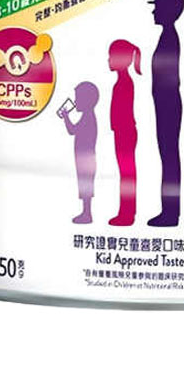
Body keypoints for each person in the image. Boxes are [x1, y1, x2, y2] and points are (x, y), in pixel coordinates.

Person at [147, 0, 184, 227]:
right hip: (165, 103)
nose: (153, 12)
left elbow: (167, 77)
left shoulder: (169, 37)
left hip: (167, 105)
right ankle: (170, 211)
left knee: (169, 158)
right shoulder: (167, 36)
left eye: (157, 7)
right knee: (168, 157)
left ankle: (170, 213)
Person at [108, 39, 141, 226]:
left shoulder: (124, 83)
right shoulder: (122, 82)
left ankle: (127, 214)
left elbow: (123, 112)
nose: (108, 60)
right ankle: (127, 212)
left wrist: (118, 129)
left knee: (127, 174)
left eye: (111, 56)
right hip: (123, 132)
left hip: (124, 132)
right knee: (126, 174)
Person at [59, 81, 99, 224]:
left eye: (78, 98)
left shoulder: (88, 117)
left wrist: (66, 117)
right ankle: (86, 212)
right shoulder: (88, 116)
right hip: (85, 158)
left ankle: (87, 214)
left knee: (86, 186)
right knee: (85, 185)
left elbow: (72, 131)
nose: (75, 102)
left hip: (86, 160)